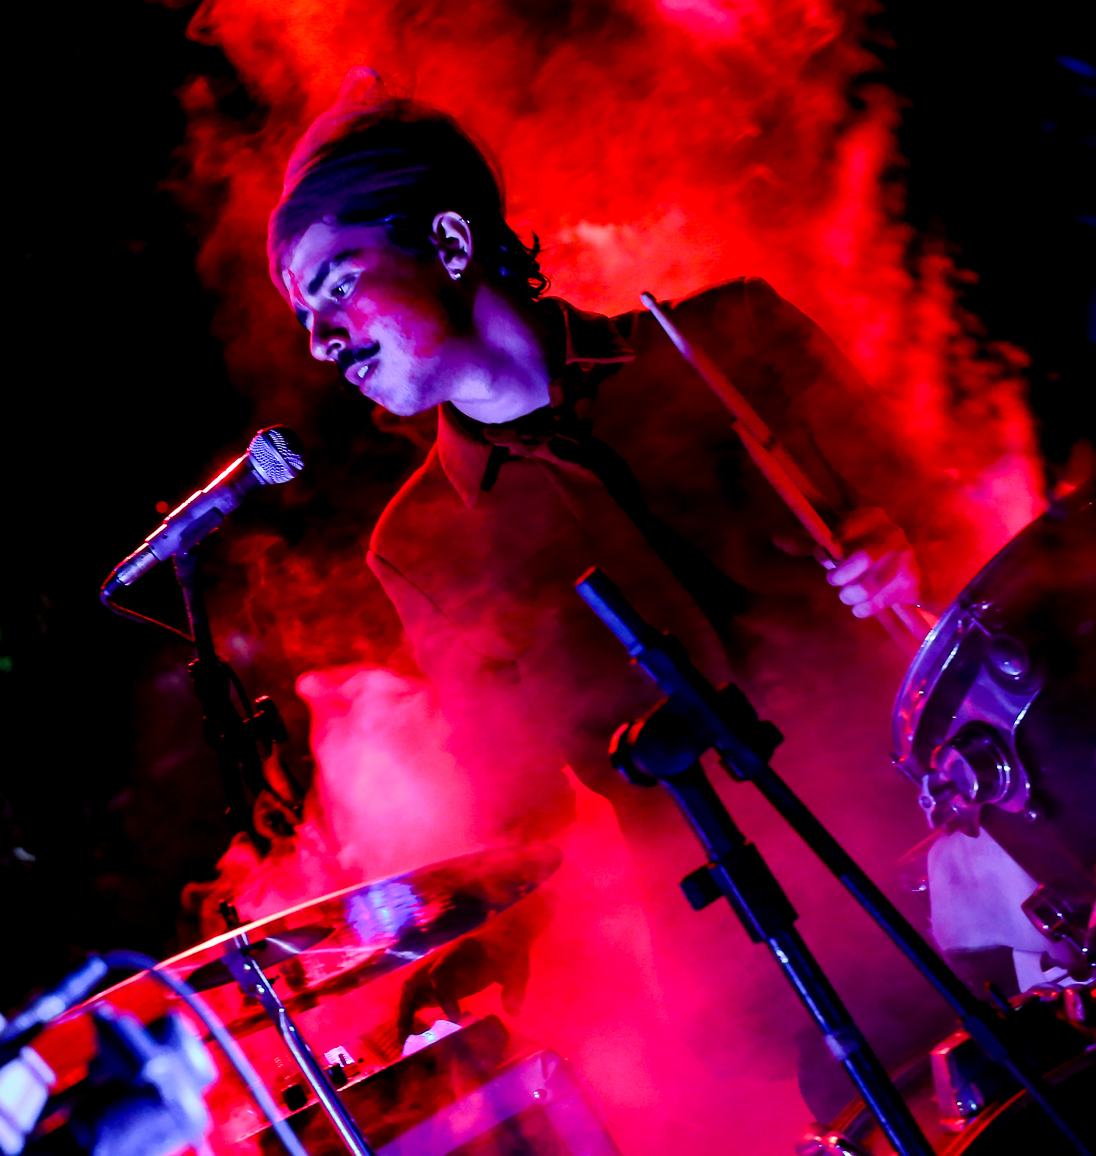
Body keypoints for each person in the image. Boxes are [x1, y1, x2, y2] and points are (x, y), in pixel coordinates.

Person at [266, 77, 957, 1138]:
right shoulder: (420, 546)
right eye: (303, 317)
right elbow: (514, 806)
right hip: (764, 953)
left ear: (449, 241)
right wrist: (442, 952)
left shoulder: (729, 338)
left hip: (950, 831)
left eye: (337, 286)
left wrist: (901, 547)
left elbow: (955, 534)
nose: (321, 342)